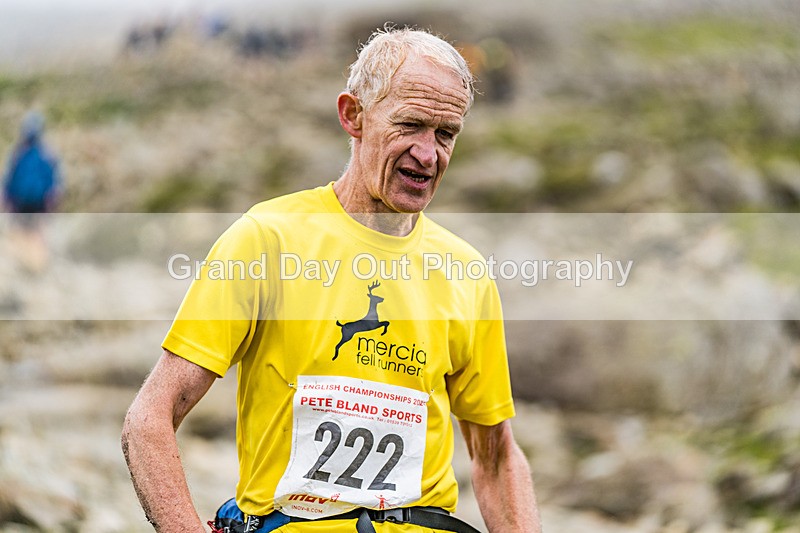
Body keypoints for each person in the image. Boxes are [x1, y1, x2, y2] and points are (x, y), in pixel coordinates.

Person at [122, 27, 542, 533]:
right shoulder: (267, 240)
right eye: (410, 125)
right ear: (353, 116)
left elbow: (497, 457)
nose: (428, 155)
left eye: (445, 133)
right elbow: (149, 419)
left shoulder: (465, 273)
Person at [3, 110, 62, 271]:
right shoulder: (26, 152)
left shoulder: (38, 153)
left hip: (34, 202)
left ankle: (36, 266)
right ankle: (27, 264)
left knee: (35, 234)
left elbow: (55, 180)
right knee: (26, 233)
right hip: (24, 202)